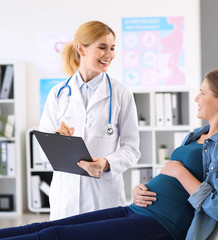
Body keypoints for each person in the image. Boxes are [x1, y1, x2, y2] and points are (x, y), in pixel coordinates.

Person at [0, 68, 218, 240]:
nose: (196, 97)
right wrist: (143, 188)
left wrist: (178, 172)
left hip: (162, 226)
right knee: (42, 227)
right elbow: (174, 177)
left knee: (52, 239)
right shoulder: (198, 134)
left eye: (202, 92)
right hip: (137, 208)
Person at [39, 21, 141, 220]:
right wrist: (57, 138)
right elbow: (43, 150)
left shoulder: (121, 93)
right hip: (66, 196)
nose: (109, 54)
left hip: (103, 196)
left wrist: (106, 162)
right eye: (102, 47)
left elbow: (132, 148)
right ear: (81, 49)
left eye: (112, 48)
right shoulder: (58, 93)